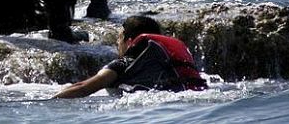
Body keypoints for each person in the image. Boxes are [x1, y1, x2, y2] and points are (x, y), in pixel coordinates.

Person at [53, 15, 207, 98]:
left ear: (129, 41)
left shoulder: (125, 63)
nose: (117, 44)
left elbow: (83, 88)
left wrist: (50, 101)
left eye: (119, 39)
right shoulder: (167, 58)